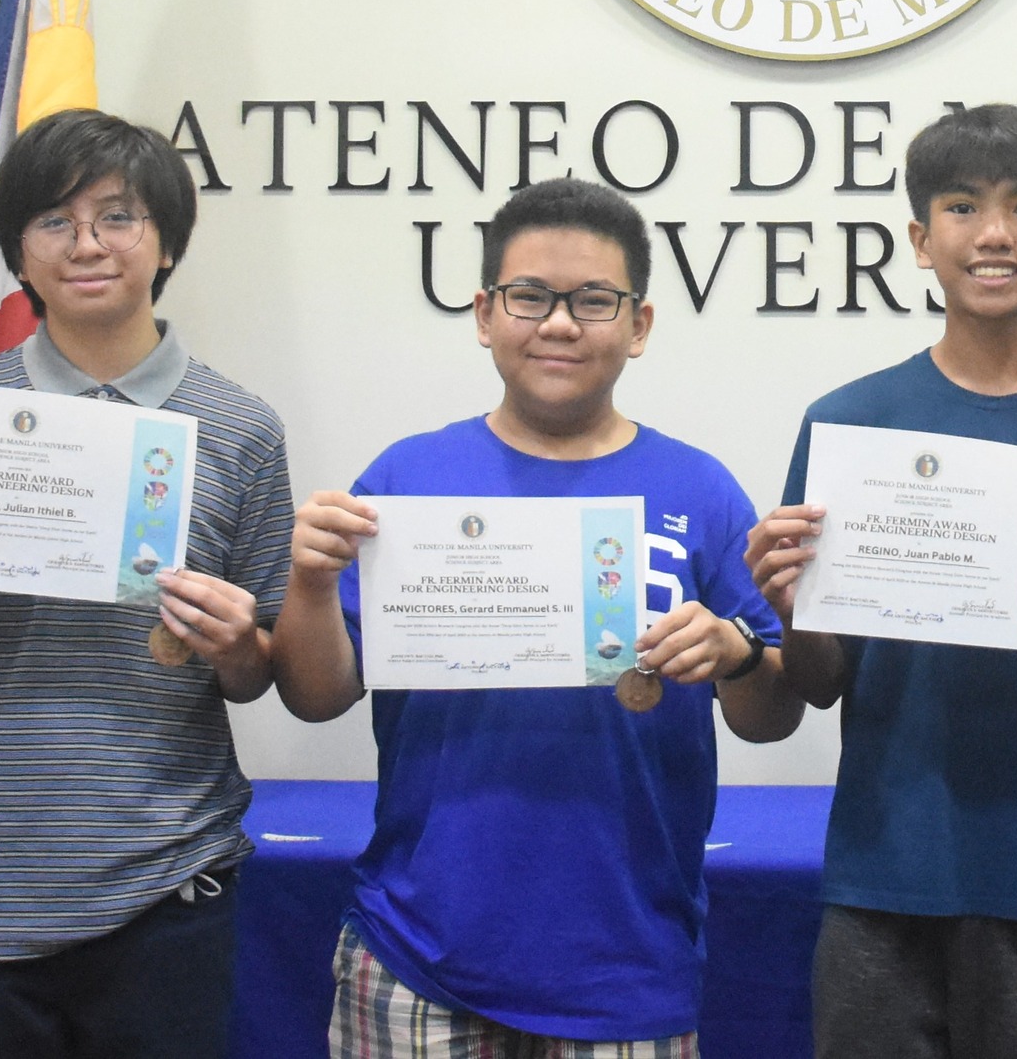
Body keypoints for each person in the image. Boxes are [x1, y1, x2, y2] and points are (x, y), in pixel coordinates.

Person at [267, 176, 805, 1055]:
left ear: (639, 324)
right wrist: (312, 583)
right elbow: (318, 696)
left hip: (628, 964)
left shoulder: (700, 490)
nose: (559, 324)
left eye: (593, 300)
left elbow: (773, 716)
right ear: (486, 314)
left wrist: (740, 652)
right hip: (416, 952)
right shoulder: (406, 478)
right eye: (529, 297)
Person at [0, 108, 308, 1059]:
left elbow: (262, 671)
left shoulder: (241, 427)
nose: (87, 244)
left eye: (118, 217)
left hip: (165, 883)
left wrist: (238, 646)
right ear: (19, 253)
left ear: (167, 242)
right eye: (54, 221)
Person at [744, 103, 1017, 1058]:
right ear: (920, 240)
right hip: (884, 866)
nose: (994, 234)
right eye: (961, 207)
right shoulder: (848, 424)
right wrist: (791, 606)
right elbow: (818, 681)